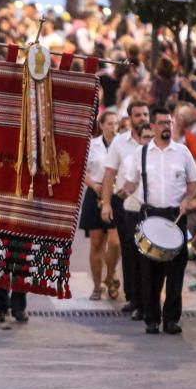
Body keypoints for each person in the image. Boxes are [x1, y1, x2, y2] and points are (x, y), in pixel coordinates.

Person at [122, 107, 196, 334]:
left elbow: (193, 183)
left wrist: (188, 200)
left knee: (176, 270)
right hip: (150, 215)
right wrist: (120, 190)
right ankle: (152, 318)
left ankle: (172, 319)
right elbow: (131, 182)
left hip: (176, 216)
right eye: (162, 123)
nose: (166, 127)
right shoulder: (141, 153)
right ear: (153, 127)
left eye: (169, 122)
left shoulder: (183, 152)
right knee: (150, 272)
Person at [100, 100, 150, 316]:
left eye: (145, 115)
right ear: (130, 118)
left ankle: (148, 297)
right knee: (129, 250)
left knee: (147, 253)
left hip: (150, 204)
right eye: (138, 115)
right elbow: (109, 174)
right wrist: (107, 203)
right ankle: (133, 297)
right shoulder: (120, 143)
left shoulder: (155, 142)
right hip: (125, 203)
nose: (143, 119)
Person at [80, 111, 121, 300]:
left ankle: (110, 276)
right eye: (110, 123)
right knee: (96, 242)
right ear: (102, 125)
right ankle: (97, 286)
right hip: (95, 192)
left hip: (116, 195)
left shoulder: (122, 144)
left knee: (115, 242)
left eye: (116, 123)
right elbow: (81, 169)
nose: (113, 127)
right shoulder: (92, 145)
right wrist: (94, 185)